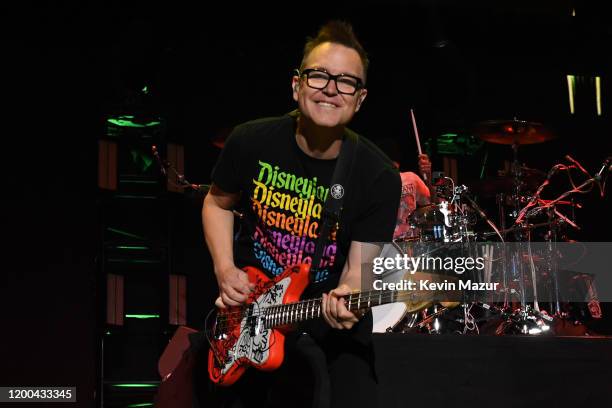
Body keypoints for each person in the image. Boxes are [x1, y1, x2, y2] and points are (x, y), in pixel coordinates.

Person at [201, 21, 401, 407]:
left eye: (346, 81)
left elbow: (357, 271)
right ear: (296, 85)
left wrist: (347, 296)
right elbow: (216, 203)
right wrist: (225, 269)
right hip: (251, 307)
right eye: (319, 76)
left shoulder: (378, 176)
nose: (330, 88)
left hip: (323, 309)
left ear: (359, 99)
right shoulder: (249, 141)